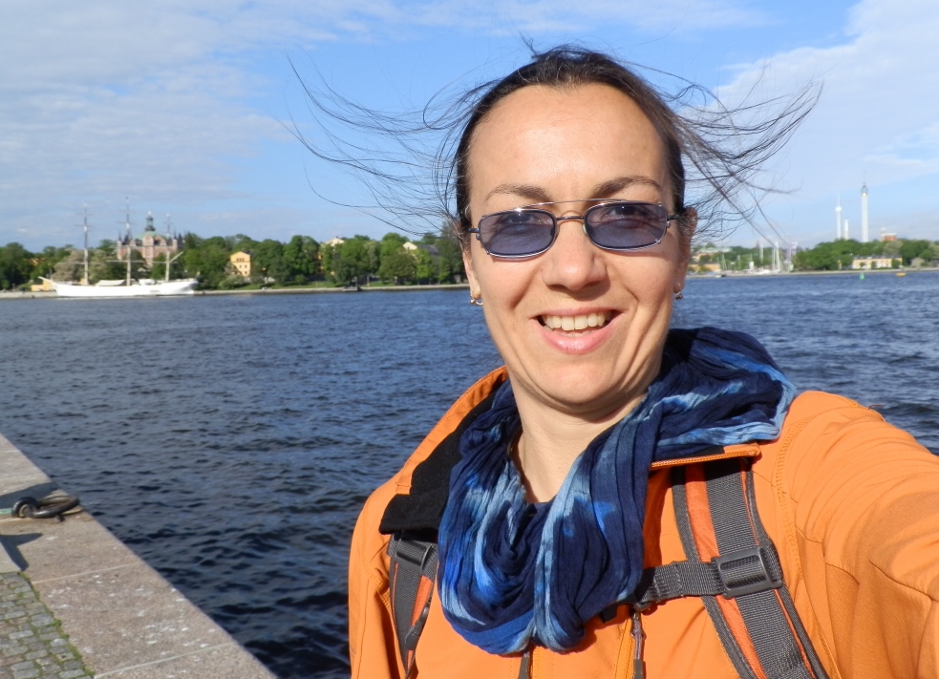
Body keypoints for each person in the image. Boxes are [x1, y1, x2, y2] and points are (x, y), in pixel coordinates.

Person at [347, 48, 939, 678]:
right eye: (518, 225)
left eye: (627, 216)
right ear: (470, 262)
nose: (574, 269)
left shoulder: (807, 481)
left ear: (682, 250)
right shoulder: (399, 541)